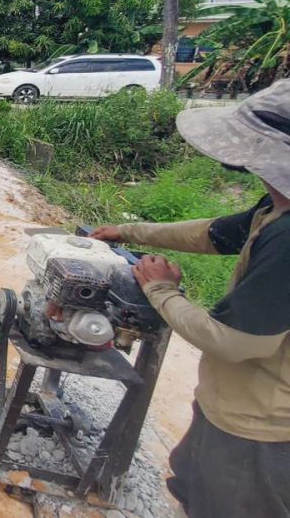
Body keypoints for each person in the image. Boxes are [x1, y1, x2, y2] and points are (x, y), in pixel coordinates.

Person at [89, 79, 290, 518]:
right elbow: (215, 233)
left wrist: (160, 290)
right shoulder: (277, 207)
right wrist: (129, 231)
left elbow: (232, 342)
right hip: (232, 405)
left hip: (263, 428)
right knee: (191, 484)